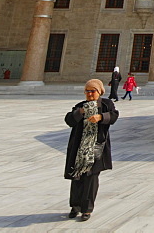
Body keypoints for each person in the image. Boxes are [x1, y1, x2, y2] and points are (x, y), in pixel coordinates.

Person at [64, 78, 119, 221]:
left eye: (92, 91)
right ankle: (75, 207)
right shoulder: (80, 106)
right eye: (87, 91)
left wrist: (101, 117)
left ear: (99, 92)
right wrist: (80, 112)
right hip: (79, 149)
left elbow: (114, 116)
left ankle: (87, 210)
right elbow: (69, 120)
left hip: (96, 148)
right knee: (77, 178)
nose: (89, 94)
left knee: (91, 179)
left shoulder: (106, 104)